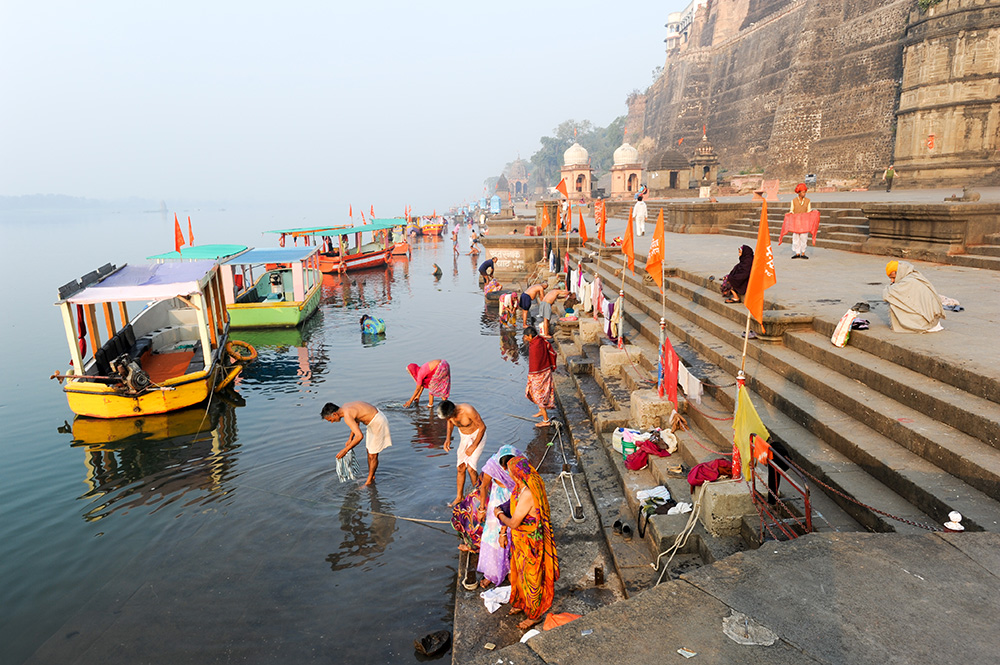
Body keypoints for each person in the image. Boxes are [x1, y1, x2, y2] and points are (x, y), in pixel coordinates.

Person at [494, 455, 559, 630]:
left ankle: (534, 615)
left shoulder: (529, 492)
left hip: (531, 544)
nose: (507, 473)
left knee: (532, 578)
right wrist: (502, 522)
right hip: (519, 542)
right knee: (518, 574)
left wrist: (498, 515)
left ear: (516, 473)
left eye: (509, 471)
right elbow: (510, 504)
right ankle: (521, 602)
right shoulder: (520, 487)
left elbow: (514, 522)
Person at [471, 444, 522, 586]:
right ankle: (492, 573)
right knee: (493, 536)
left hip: (515, 500)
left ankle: (511, 569)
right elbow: (484, 486)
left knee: (514, 535)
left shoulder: (521, 463)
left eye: (508, 467)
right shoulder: (492, 465)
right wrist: (481, 509)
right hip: (497, 502)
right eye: (504, 467)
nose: (505, 470)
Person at [321, 401, 392, 486]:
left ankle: (369, 481)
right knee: (370, 451)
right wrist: (350, 439)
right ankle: (371, 477)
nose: (332, 422)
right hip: (373, 420)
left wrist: (345, 450)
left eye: (330, 420)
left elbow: (359, 436)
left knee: (372, 455)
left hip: (377, 421)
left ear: (335, 414)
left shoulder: (347, 416)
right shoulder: (345, 407)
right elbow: (356, 422)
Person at [437, 400, 487, 506]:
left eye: (447, 417)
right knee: (460, 468)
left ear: (453, 411)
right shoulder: (449, 416)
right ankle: (459, 497)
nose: (447, 419)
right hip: (464, 437)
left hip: (478, 435)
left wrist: (473, 446)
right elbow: (450, 423)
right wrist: (447, 439)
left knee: (471, 468)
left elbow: (482, 427)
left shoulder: (467, 410)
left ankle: (479, 496)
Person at [883, 260, 945, 333]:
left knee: (894, 297)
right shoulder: (914, 275)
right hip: (933, 321)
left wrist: (887, 288)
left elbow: (887, 294)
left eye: (893, 277)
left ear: (900, 272)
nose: (892, 281)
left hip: (924, 322)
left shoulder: (909, 281)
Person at [523, 326, 556, 427]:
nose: (525, 338)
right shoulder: (540, 340)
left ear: (530, 336)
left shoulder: (536, 346)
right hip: (545, 370)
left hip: (539, 373)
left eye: (526, 336)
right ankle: (541, 411)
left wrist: (530, 378)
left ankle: (546, 420)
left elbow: (535, 363)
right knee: (540, 393)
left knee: (537, 394)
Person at [789, 183, 812, 259]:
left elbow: (809, 211)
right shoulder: (793, 201)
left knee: (804, 237)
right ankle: (797, 252)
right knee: (796, 237)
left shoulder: (808, 201)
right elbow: (792, 211)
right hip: (796, 221)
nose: (804, 194)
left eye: (805, 192)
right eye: (803, 192)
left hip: (804, 222)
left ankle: (803, 252)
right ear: (799, 193)